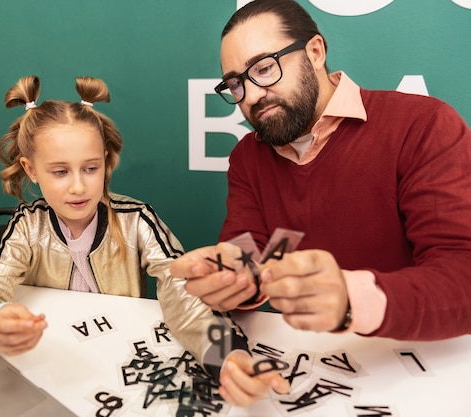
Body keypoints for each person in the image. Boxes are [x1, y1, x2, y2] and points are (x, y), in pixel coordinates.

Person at [169, 0, 471, 407]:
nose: (253, 95)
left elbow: (462, 272)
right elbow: (249, 250)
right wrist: (234, 280)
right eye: (236, 83)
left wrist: (351, 299)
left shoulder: (421, 125)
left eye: (264, 68)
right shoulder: (248, 156)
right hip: (307, 379)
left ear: (314, 52)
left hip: (421, 378)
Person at [0, 75, 188, 356]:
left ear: (104, 160)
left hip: (121, 353)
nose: (78, 187)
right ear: (31, 170)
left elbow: (186, 291)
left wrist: (225, 351)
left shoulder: (136, 219)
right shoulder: (28, 226)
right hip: (55, 356)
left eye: (90, 168)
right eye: (61, 172)